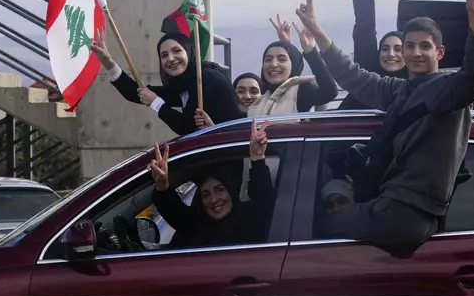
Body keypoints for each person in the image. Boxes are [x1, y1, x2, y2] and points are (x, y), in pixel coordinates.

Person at [293, 0, 474, 254]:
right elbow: (353, 76)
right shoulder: (398, 90)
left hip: (406, 213)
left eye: (425, 46)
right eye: (410, 46)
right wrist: (316, 29)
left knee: (314, 231)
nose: (416, 53)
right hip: (390, 207)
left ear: (440, 53)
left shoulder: (449, 89)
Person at [149, 119, 274, 248]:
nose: (213, 199)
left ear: (230, 191)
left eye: (219, 189)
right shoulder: (198, 225)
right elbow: (174, 211)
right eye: (205, 194)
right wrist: (162, 184)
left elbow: (263, 198)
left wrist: (257, 157)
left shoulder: (250, 220)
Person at [91, 30, 241, 136]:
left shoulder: (207, 79)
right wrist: (107, 62)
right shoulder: (184, 83)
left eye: (177, 51)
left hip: (227, 162)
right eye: (164, 55)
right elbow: (137, 93)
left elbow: (188, 128)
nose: (170, 58)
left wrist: (156, 103)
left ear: (189, 52)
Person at [339, 0, 408, 111]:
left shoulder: (416, 86)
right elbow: (365, 28)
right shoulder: (368, 78)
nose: (391, 54)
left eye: (398, 49)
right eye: (385, 49)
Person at [245, 15, 338, 116]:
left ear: (293, 65)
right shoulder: (262, 98)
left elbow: (329, 92)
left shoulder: (301, 92)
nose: (273, 64)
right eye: (268, 59)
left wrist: (310, 50)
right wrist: (285, 44)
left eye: (282, 59)